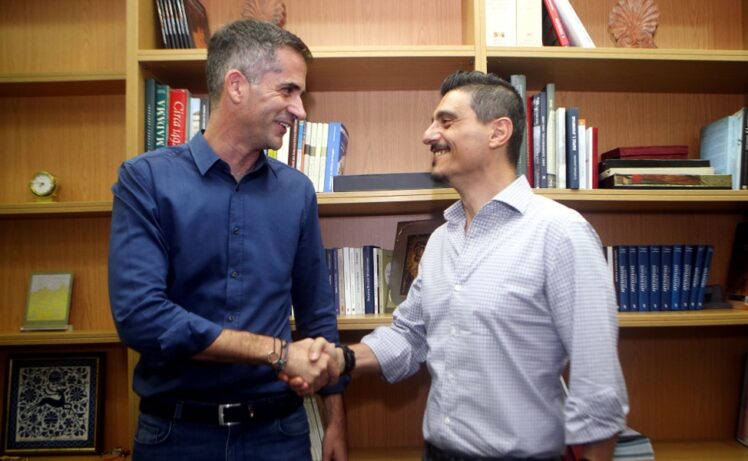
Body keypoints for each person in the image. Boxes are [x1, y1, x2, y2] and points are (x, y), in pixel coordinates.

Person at [287, 70, 629, 461]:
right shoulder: (439, 241)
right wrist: (341, 359)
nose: (428, 135)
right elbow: (409, 337)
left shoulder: (561, 233)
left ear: (498, 132)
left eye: (446, 122)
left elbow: (598, 383)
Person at [108, 19, 347, 461]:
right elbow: (141, 317)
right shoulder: (146, 181)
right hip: (176, 437)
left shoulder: (297, 192)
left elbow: (316, 311)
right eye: (288, 90)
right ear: (236, 86)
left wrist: (335, 423)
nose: (300, 110)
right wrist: (277, 353)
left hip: (279, 434)